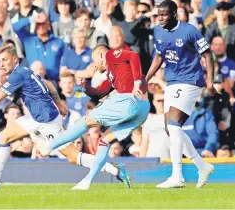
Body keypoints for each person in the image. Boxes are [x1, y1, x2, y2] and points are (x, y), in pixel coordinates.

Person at [0, 45, 124, 189]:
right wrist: (60, 104)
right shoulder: (25, 70)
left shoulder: (18, 75)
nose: (1, 64)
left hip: (47, 121)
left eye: (5, 60)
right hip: (37, 117)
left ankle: (113, 169)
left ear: (15, 59)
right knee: (4, 135)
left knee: (73, 157)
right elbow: (49, 84)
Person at [36, 39, 150, 190]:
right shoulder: (113, 73)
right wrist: (86, 87)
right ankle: (86, 182)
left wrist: (136, 83)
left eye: (94, 60)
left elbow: (134, 55)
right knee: (105, 140)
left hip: (129, 100)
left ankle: (49, 146)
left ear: (100, 54)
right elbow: (101, 92)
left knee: (86, 121)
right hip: (143, 110)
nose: (94, 64)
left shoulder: (110, 55)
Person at [145, 0, 215, 189]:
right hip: (172, 81)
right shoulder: (158, 31)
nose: (160, 18)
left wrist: (209, 81)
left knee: (175, 126)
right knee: (170, 129)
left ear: (175, 14)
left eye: (165, 14)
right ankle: (202, 165)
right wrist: (146, 78)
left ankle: (177, 176)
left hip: (191, 80)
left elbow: (207, 54)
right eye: (159, 14)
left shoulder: (190, 30)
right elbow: (159, 56)